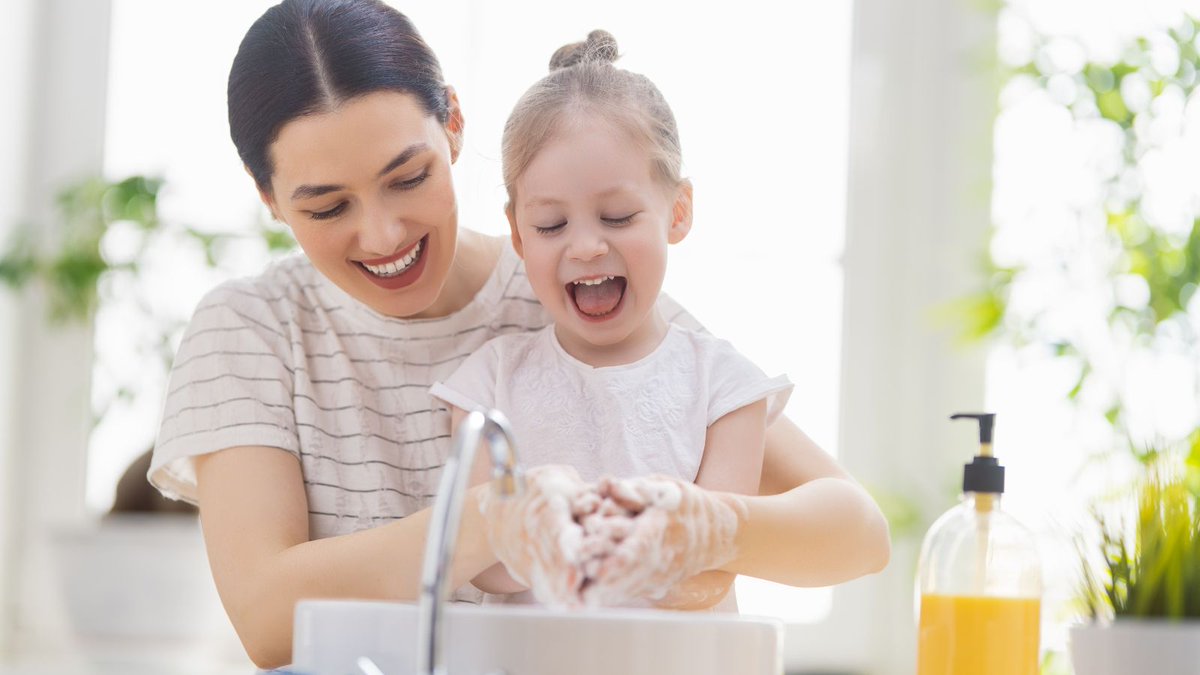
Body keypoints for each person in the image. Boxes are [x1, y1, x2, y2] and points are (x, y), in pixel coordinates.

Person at [147, 0, 890, 669]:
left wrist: (710, 527)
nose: (383, 235)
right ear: (269, 196)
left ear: (453, 125)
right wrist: (488, 524)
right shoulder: (252, 329)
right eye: (328, 207)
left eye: (408, 178)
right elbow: (266, 619)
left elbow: (856, 531)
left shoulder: (571, 291)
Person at [430, 30, 792, 611]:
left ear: (678, 212)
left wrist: (659, 533)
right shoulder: (486, 385)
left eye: (618, 216)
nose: (586, 246)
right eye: (551, 226)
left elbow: (710, 578)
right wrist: (536, 527)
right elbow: (483, 570)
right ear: (518, 234)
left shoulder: (726, 388)